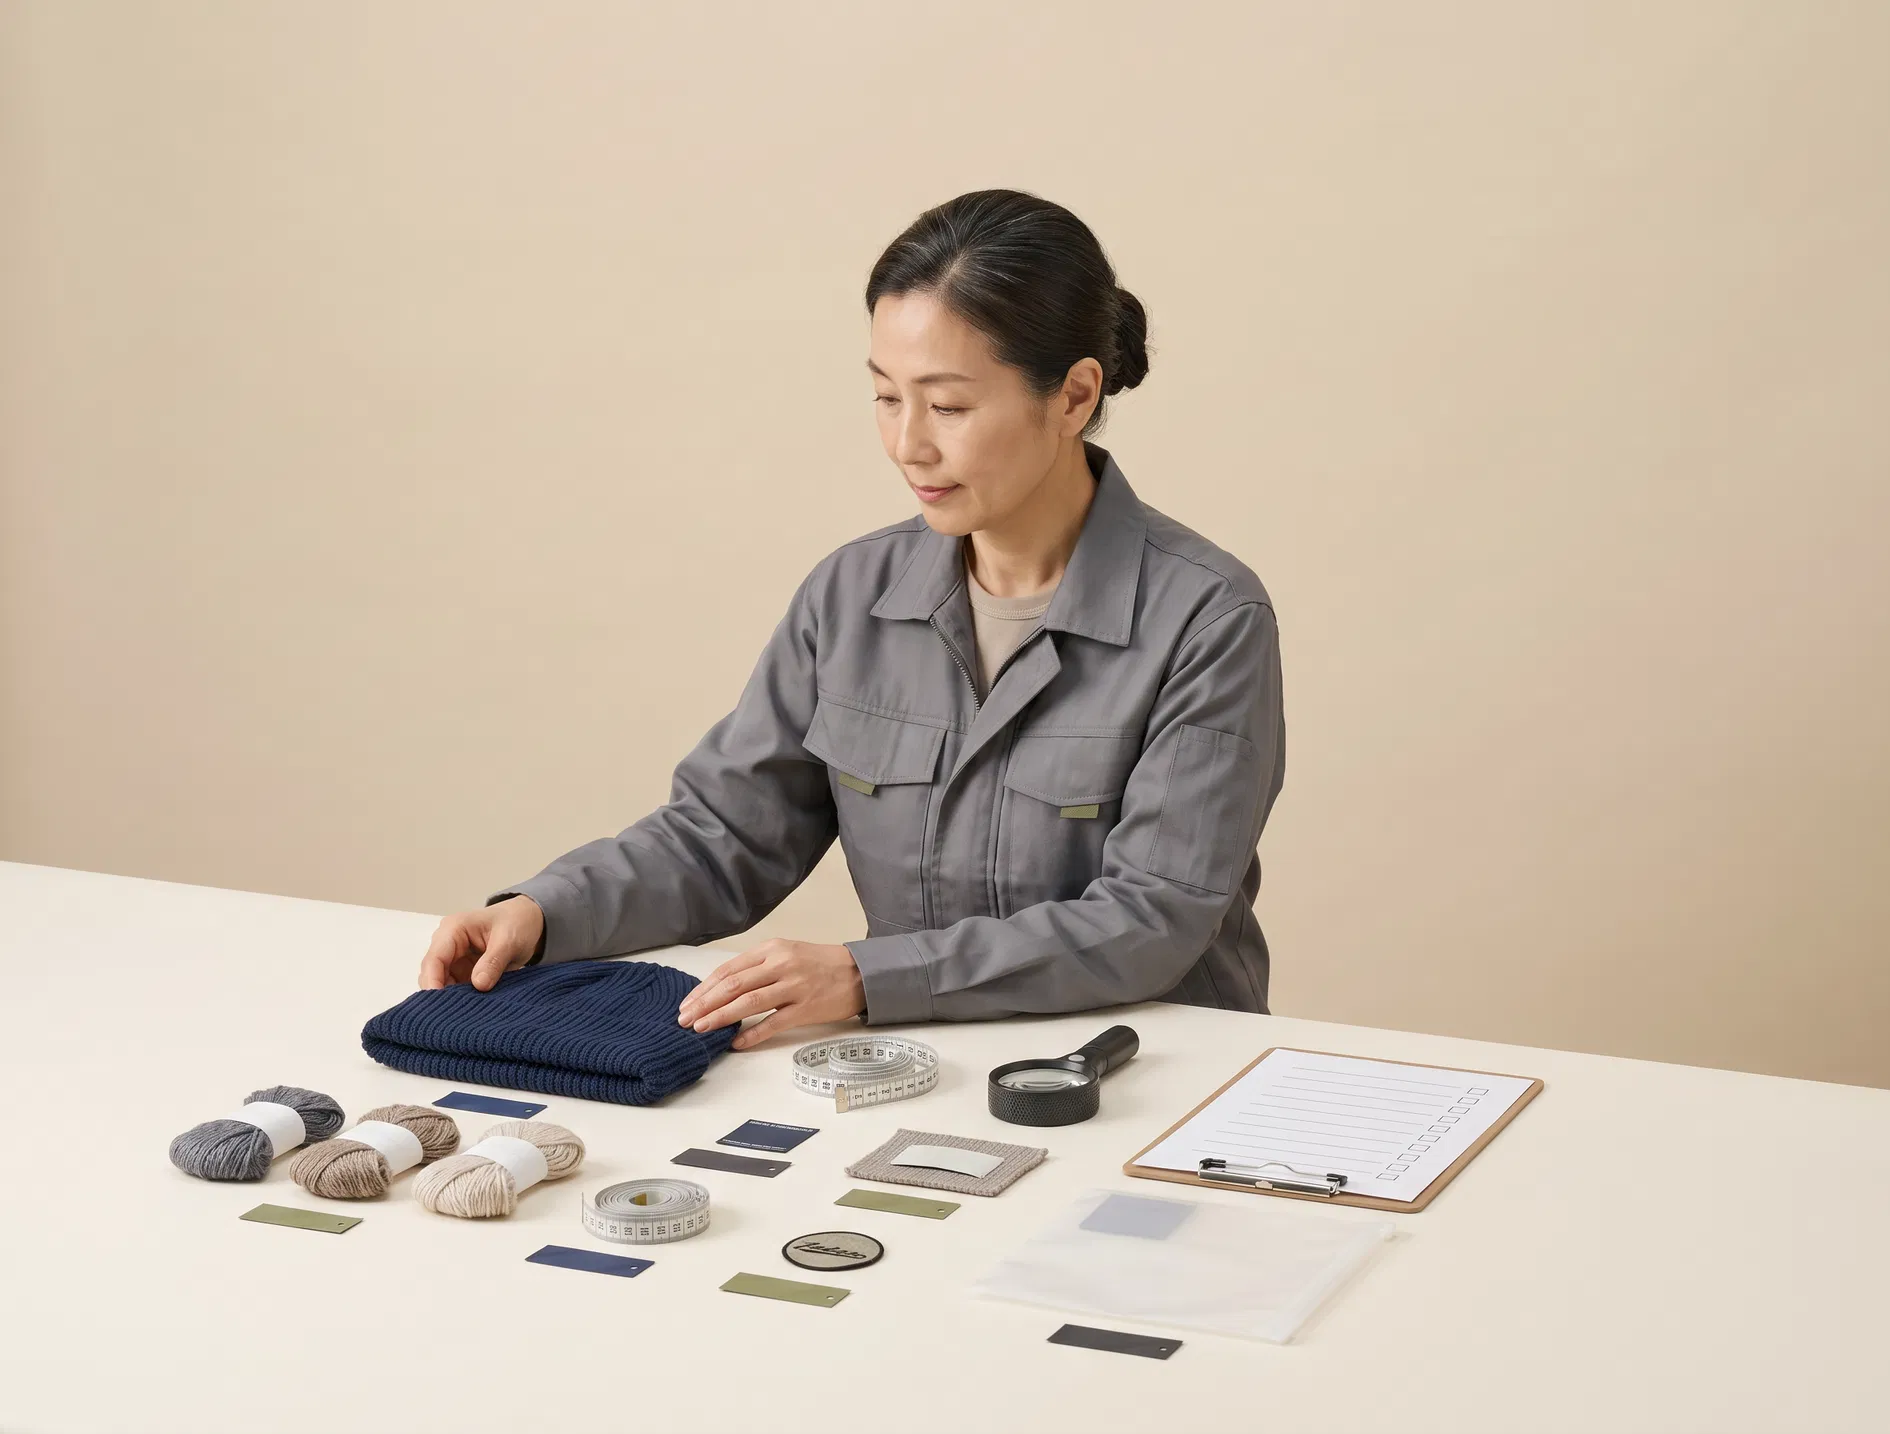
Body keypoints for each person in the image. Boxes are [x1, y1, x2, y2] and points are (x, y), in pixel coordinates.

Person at [416, 188, 1285, 1053]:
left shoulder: (1207, 619)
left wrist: (868, 979)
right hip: (929, 1066)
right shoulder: (852, 595)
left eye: (949, 406)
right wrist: (544, 912)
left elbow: (1151, 918)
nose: (909, 444)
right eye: (885, 397)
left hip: (1159, 1075)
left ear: (1073, 396)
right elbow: (725, 834)